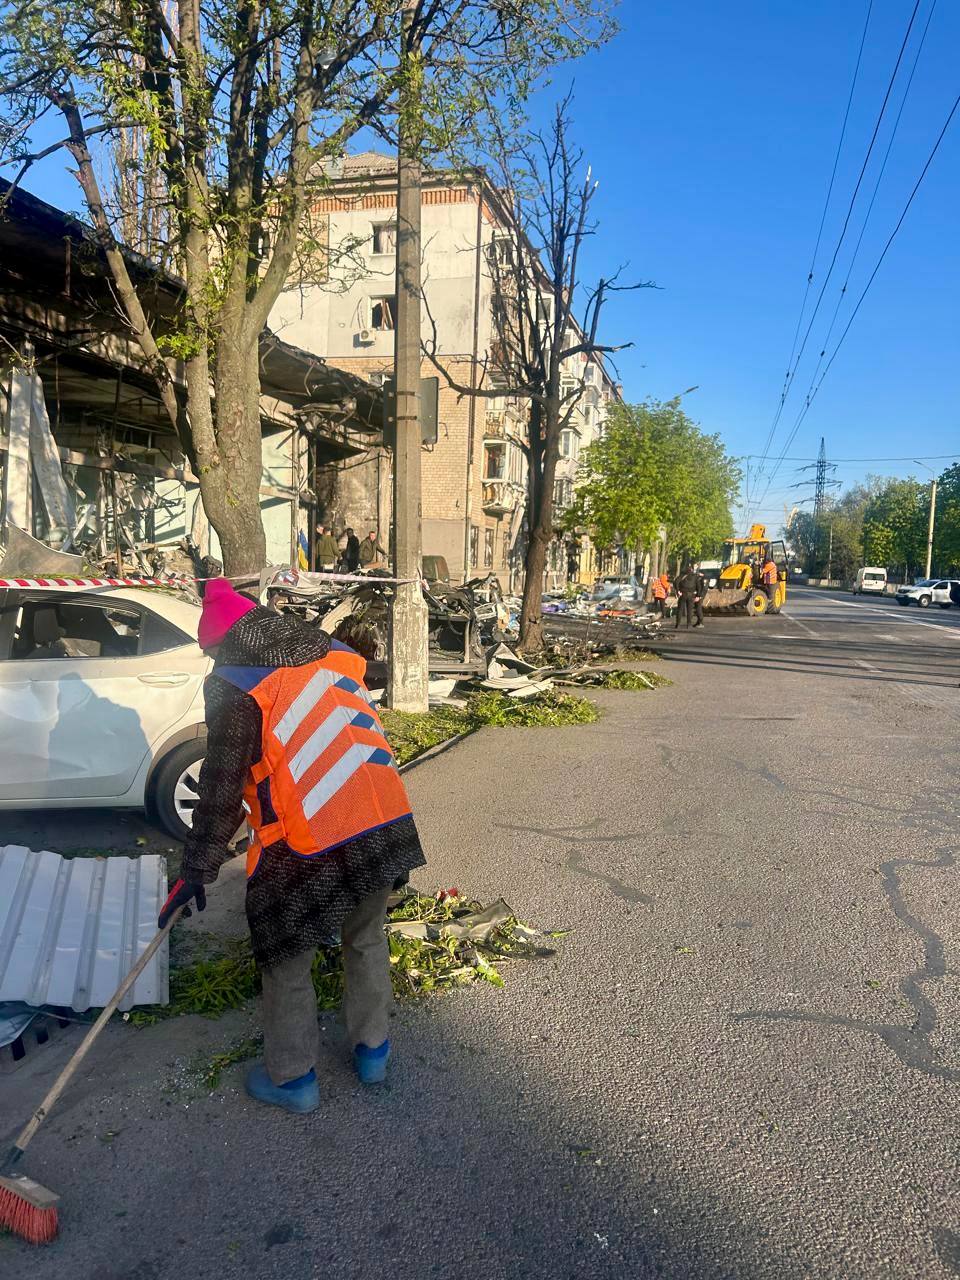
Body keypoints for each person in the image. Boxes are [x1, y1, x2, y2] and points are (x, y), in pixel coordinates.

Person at [158, 578, 426, 1113]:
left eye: (209, 649)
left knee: (286, 955)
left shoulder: (235, 682)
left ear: (224, 641)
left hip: (308, 840)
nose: (209, 660)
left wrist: (197, 868)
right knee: (366, 937)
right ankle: (373, 1051)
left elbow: (221, 782)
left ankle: (291, 1079)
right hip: (380, 817)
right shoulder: (335, 656)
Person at [674, 562, 705, 630]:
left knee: (680, 609)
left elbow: (676, 582)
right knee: (689, 610)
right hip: (691, 595)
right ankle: (689, 625)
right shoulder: (695, 576)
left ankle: (678, 624)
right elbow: (698, 586)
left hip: (683, 594)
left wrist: (678, 591)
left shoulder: (682, 576)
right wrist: (698, 595)